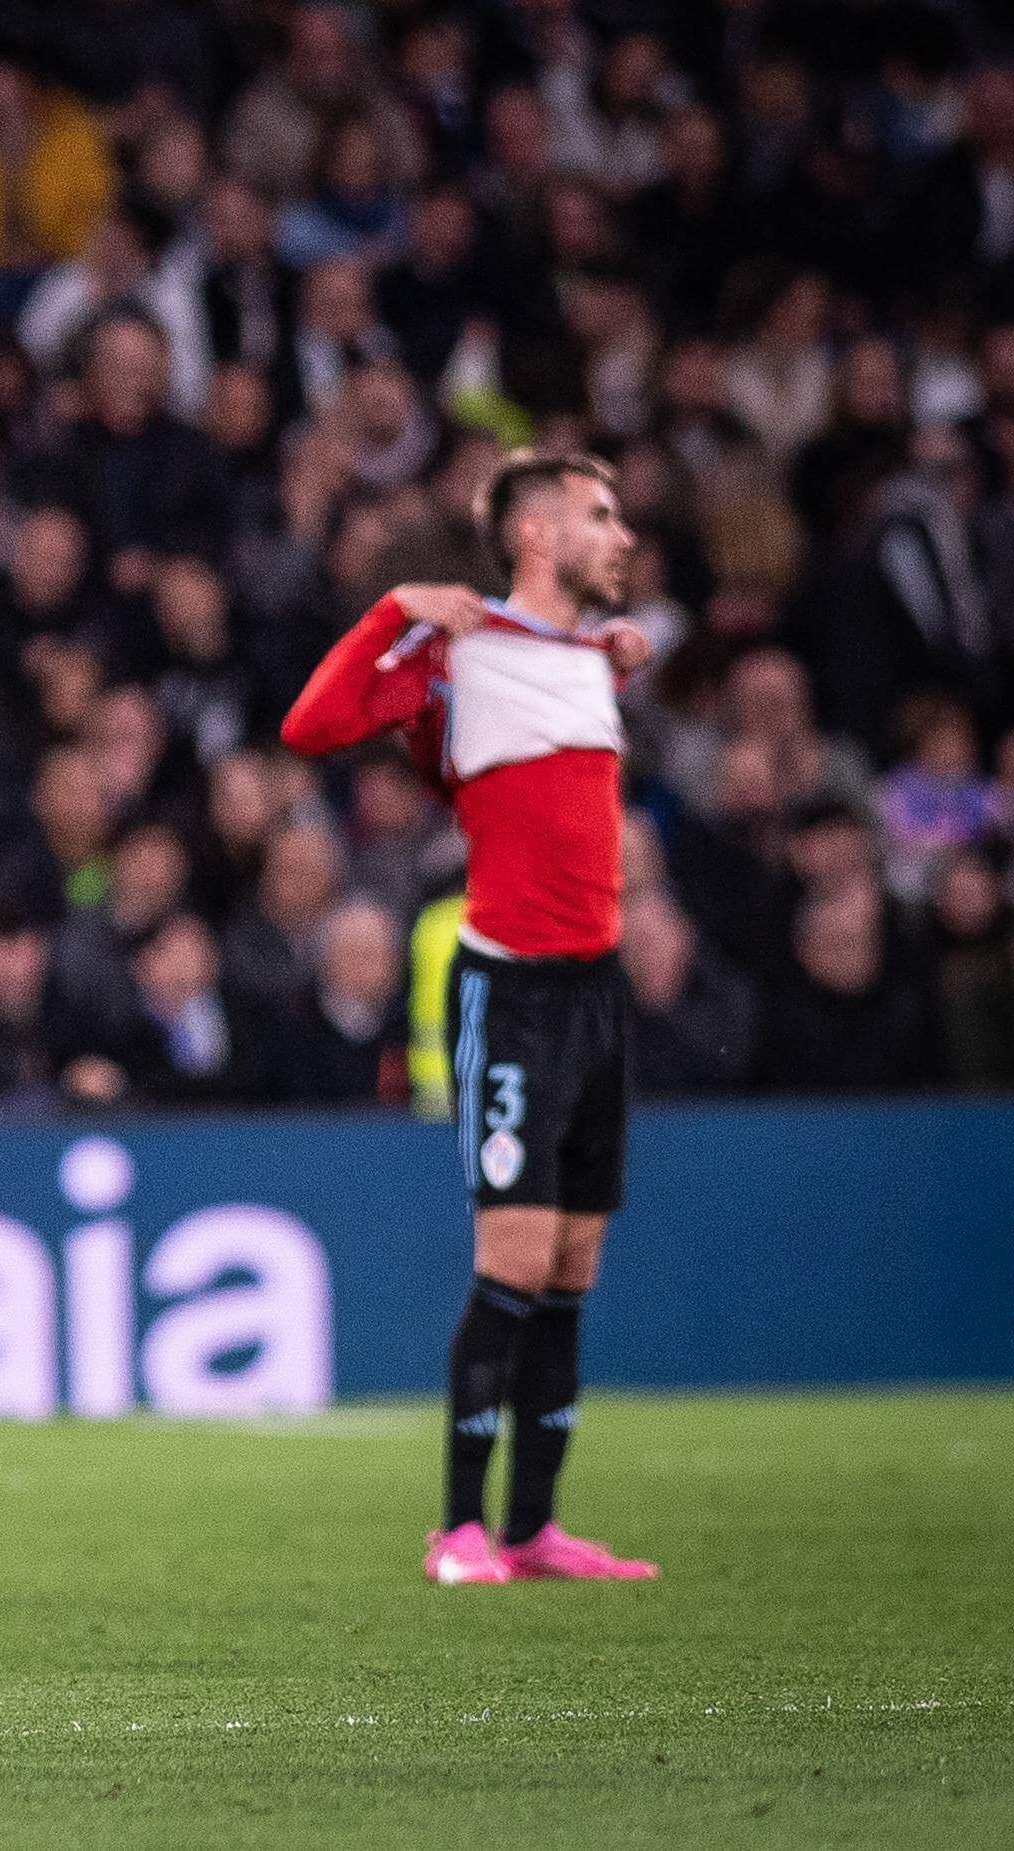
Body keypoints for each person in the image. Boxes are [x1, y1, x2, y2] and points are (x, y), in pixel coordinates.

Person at [282, 450, 660, 1587]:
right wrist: (395, 609)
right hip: (516, 991)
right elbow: (312, 727)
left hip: (598, 991)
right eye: (601, 516)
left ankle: (535, 1529)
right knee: (515, 1256)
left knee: (575, 1263)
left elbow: (540, 790)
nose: (624, 536)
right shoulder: (461, 650)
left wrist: (619, 665)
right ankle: (457, 1529)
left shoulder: (590, 655)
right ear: (537, 537)